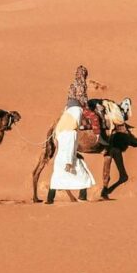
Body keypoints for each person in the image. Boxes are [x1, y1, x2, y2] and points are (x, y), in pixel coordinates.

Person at [49, 66, 97, 202]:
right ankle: (100, 137)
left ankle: (50, 198)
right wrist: (88, 108)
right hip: (76, 109)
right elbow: (82, 100)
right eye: (84, 74)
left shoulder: (71, 84)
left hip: (67, 110)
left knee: (57, 175)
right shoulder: (81, 84)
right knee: (95, 117)